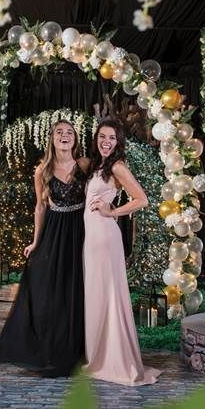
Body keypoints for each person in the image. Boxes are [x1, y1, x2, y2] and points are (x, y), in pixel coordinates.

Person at [0, 120, 88, 377]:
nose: (64, 136)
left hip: (81, 230)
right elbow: (40, 207)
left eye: (69, 133)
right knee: (50, 290)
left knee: (78, 288)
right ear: (52, 139)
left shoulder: (85, 164)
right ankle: (50, 347)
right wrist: (35, 241)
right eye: (59, 132)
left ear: (75, 139)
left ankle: (81, 350)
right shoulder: (42, 170)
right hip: (55, 231)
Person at [83, 118, 161, 386]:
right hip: (92, 237)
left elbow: (142, 198)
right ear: (96, 139)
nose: (106, 142)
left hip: (105, 236)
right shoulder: (99, 166)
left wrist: (113, 211)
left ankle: (114, 359)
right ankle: (99, 354)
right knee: (97, 294)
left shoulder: (117, 166)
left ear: (118, 143)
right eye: (102, 137)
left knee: (108, 294)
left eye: (112, 138)